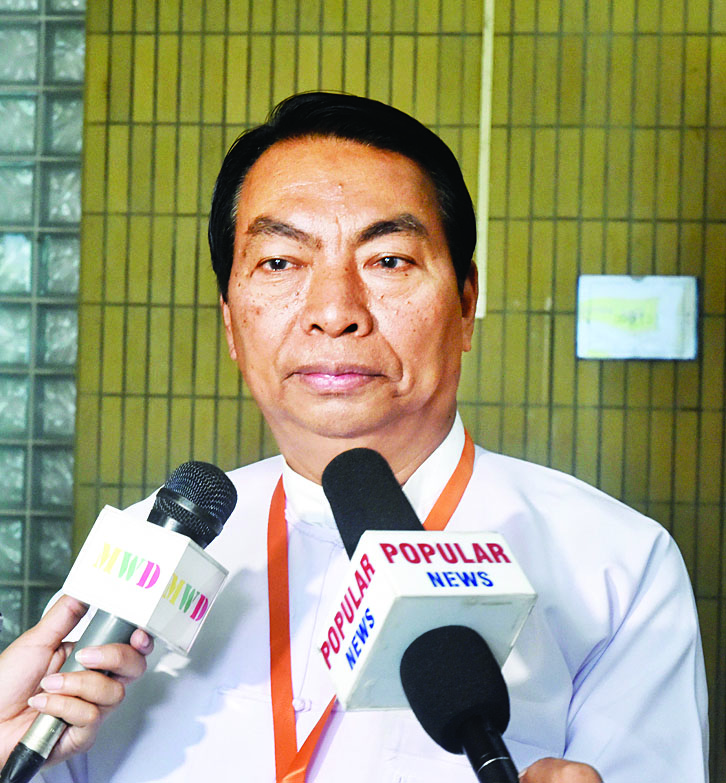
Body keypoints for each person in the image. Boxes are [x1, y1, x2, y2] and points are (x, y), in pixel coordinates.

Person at [0, 92, 708, 782]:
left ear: (465, 304)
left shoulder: (613, 565)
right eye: (280, 262)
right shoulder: (145, 555)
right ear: (231, 323)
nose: (334, 310)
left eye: (389, 260)